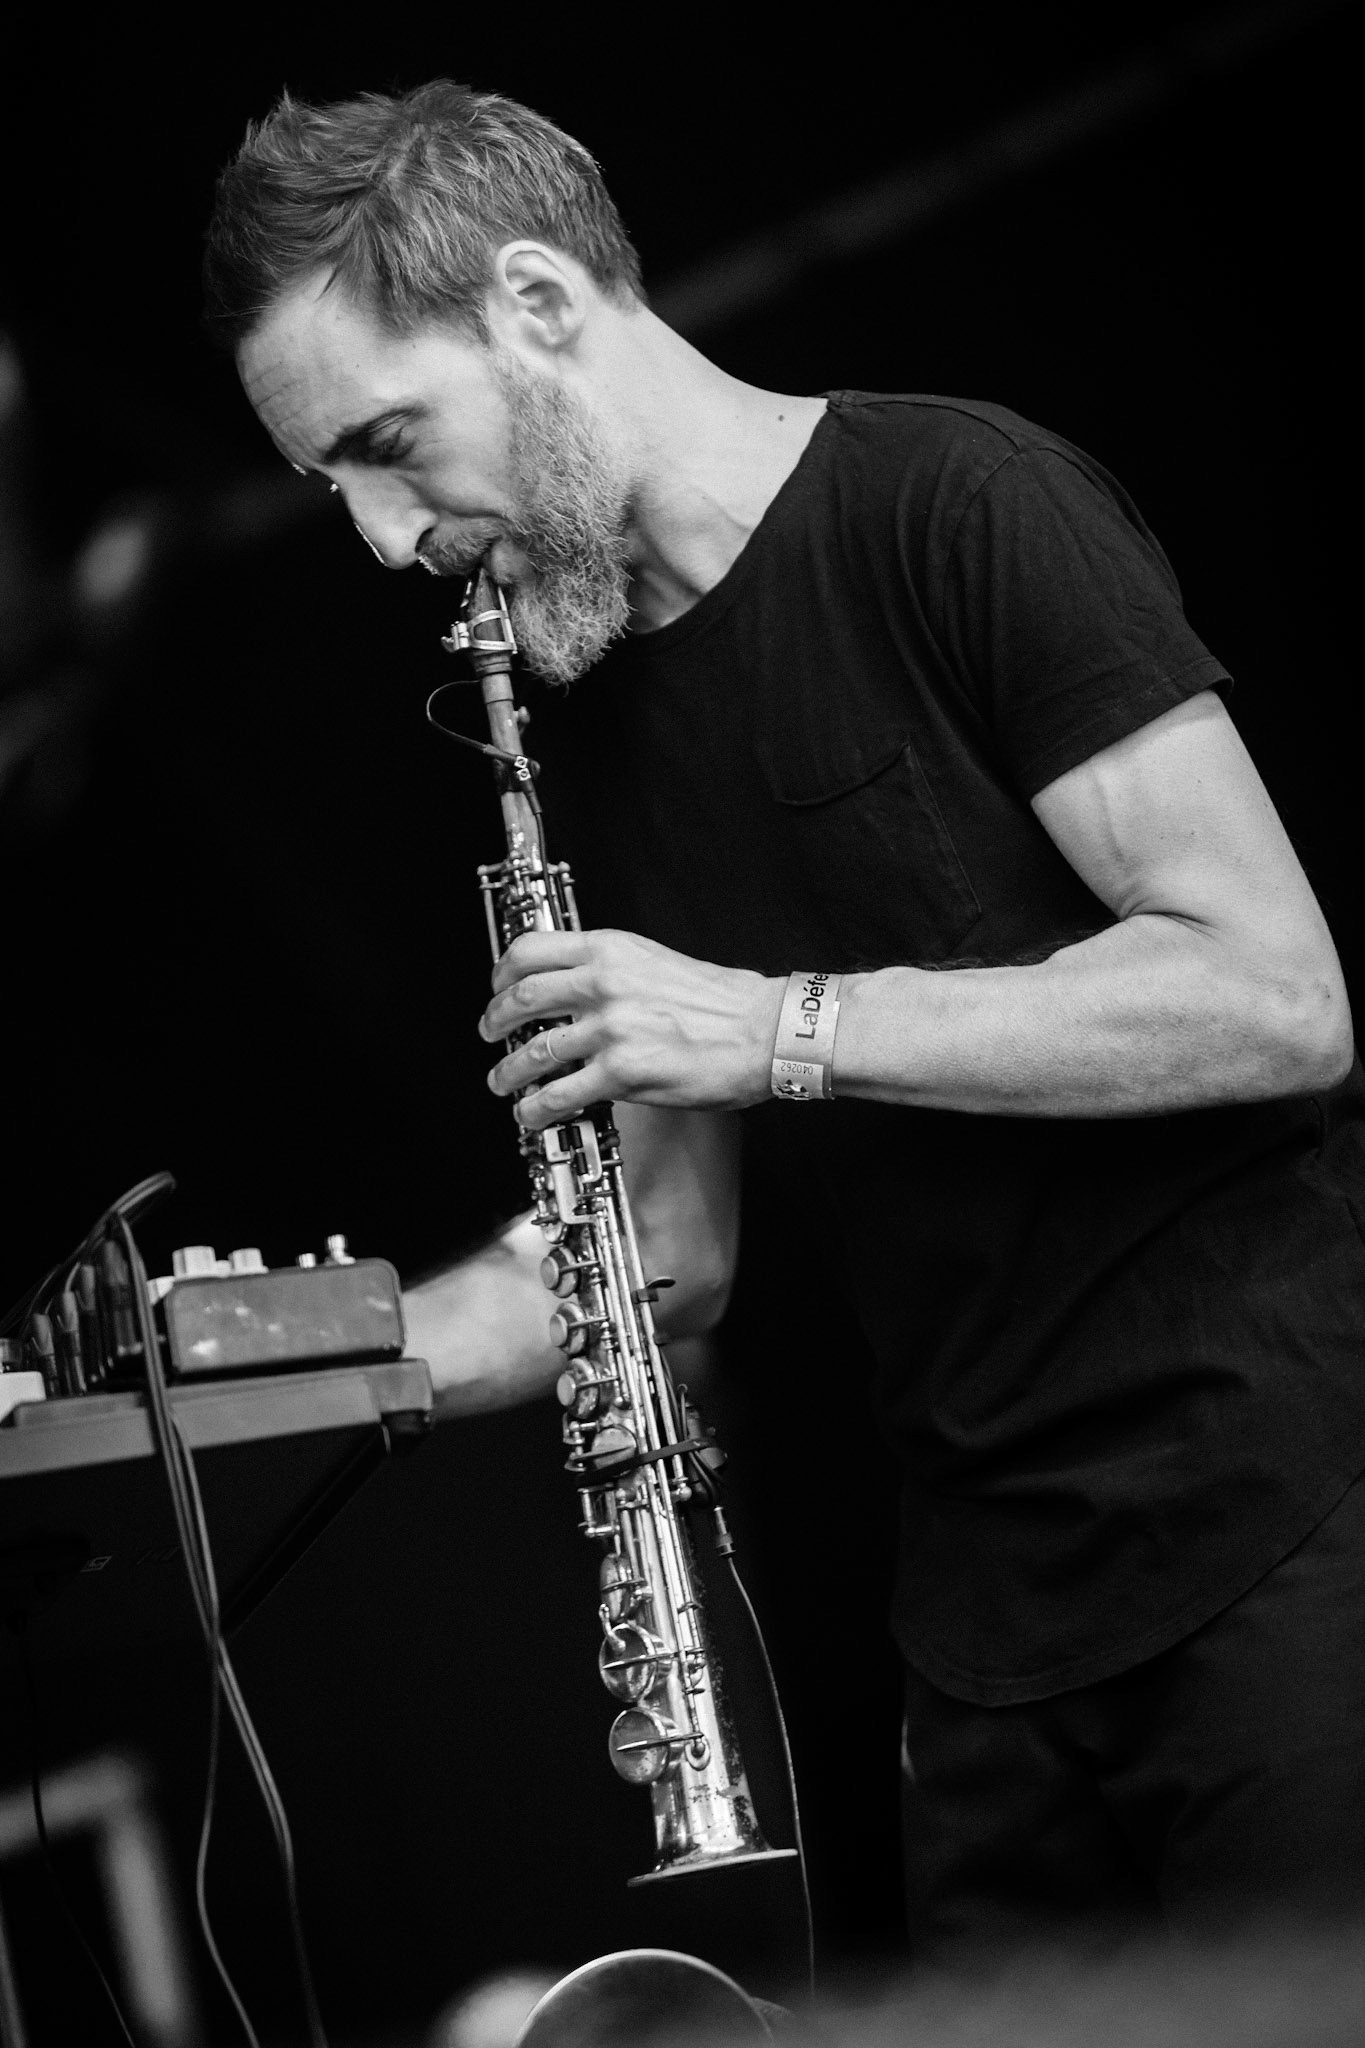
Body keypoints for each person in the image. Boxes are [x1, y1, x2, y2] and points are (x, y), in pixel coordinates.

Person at [203, 81, 1365, 1962]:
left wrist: (770, 1028)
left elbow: (1273, 994)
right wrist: (247, 1375)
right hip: (988, 1636)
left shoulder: (955, 501)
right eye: (336, 484)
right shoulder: (565, 715)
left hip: (1290, 1525)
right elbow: (657, 1258)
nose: (379, 537)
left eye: (390, 445)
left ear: (539, 304)